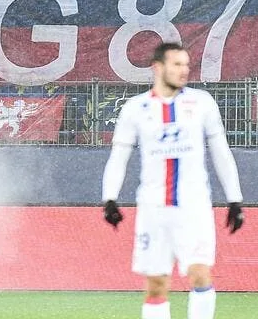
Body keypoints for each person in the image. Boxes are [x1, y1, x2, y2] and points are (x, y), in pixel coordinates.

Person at [101, 41, 244, 319]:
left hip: (194, 207)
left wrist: (235, 200)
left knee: (199, 273)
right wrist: (109, 198)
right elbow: (119, 157)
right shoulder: (135, 108)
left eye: (186, 65)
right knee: (156, 285)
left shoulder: (202, 103)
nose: (184, 70)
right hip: (153, 208)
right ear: (158, 67)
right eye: (177, 64)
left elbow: (221, 153)